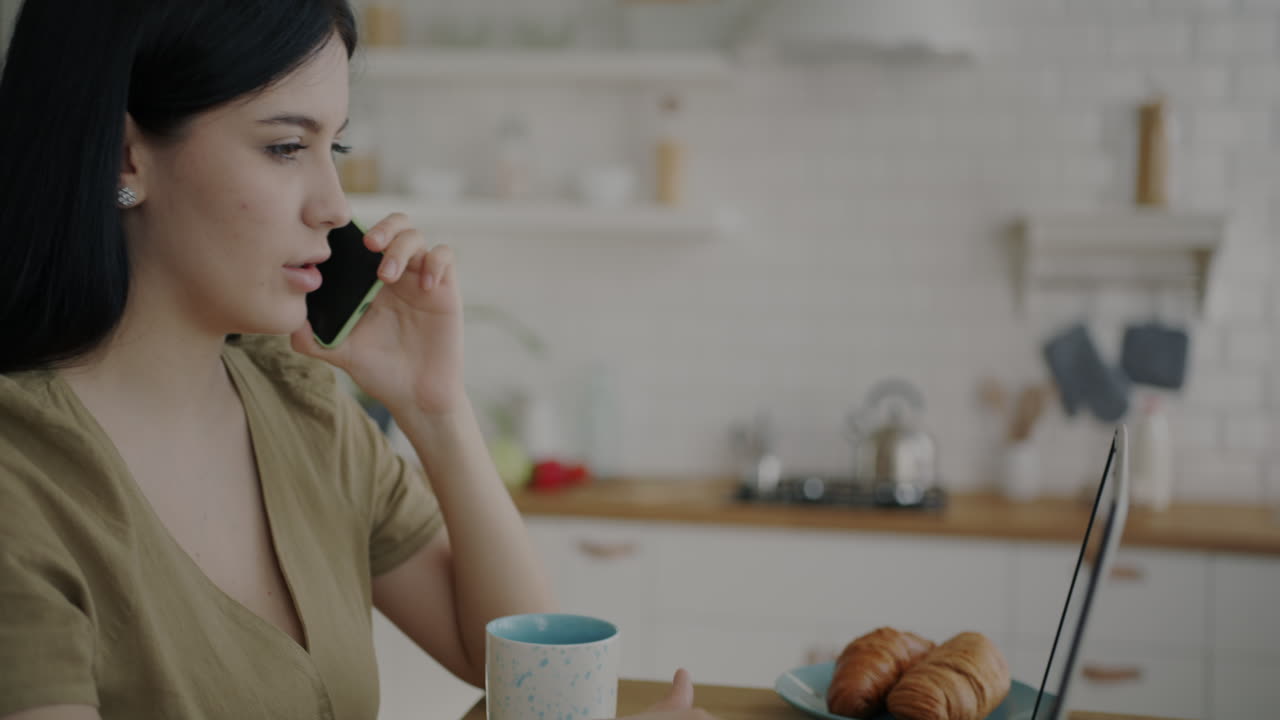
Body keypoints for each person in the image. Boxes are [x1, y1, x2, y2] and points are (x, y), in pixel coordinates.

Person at [0, 2, 714, 719]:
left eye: (334, 147)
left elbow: (517, 667)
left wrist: (436, 410)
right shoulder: (21, 483)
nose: (337, 207)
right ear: (125, 157)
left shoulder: (300, 406)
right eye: (286, 147)